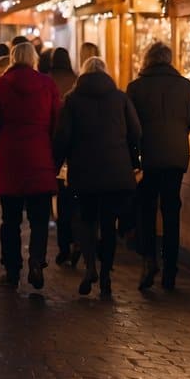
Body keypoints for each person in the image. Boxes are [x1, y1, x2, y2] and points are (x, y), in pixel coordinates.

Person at [52, 57, 141, 298]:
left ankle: (90, 266)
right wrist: (134, 163)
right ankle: (105, 276)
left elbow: (62, 137)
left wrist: (55, 166)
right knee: (108, 224)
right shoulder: (120, 98)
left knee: (86, 219)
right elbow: (136, 133)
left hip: (83, 173)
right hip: (115, 172)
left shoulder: (72, 100)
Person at [0, 42, 62, 291]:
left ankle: (12, 269)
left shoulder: (0, 85)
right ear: (33, 59)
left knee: (10, 219)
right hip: (39, 157)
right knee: (38, 219)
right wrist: (54, 157)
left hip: (10, 159)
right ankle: (36, 261)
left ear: (13, 58)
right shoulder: (47, 85)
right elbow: (58, 123)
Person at [127, 42, 190, 291]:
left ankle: (149, 261)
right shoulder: (185, 86)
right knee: (171, 211)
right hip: (175, 158)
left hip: (148, 158)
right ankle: (170, 270)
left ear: (147, 59)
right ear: (170, 60)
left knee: (146, 210)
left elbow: (130, 126)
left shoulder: (136, 87)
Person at [47, 46, 80, 267]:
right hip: (77, 147)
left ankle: (63, 246)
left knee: (60, 199)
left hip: (54, 143)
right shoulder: (76, 80)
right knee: (76, 198)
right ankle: (78, 240)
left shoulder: (47, 81)